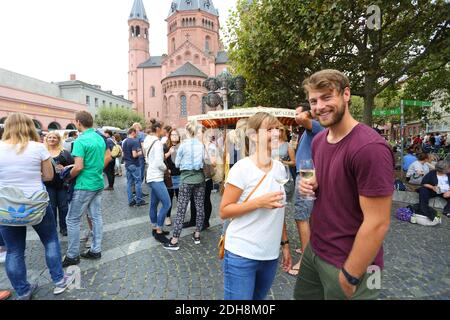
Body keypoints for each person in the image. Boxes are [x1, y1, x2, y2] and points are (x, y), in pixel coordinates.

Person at [296, 69, 394, 300]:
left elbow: (378, 223)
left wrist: (351, 274)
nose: (319, 106)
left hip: (353, 264)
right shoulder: (320, 139)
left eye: (327, 97)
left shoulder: (370, 148)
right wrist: (314, 185)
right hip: (315, 251)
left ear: (346, 94)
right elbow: (335, 183)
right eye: (313, 101)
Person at [0, 113, 75, 299]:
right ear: (30, 127)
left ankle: (23, 290)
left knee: (14, 250)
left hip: (8, 205)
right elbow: (49, 176)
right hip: (36, 202)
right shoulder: (38, 148)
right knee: (50, 240)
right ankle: (59, 280)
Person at [219, 112, 292, 300]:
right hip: (242, 253)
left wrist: (285, 245)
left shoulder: (279, 167)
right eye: (269, 129)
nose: (276, 133)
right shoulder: (242, 169)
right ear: (253, 135)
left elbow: (279, 208)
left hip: (269, 255)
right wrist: (258, 203)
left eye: (277, 129)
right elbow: (224, 211)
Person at [62, 111, 107, 267]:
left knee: (72, 219)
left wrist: (68, 176)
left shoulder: (81, 141)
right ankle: (96, 250)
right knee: (96, 216)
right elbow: (103, 159)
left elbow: (79, 167)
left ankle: (73, 255)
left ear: (78, 123)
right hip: (98, 182)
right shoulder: (100, 138)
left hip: (84, 185)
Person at [288, 104, 324, 277]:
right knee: (308, 216)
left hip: (307, 175)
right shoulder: (308, 131)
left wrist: (300, 115)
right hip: (306, 174)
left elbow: (302, 118)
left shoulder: (315, 125)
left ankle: (306, 260)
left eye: (298, 112)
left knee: (300, 217)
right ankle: (308, 247)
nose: (296, 116)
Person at [164, 122, 206, 250]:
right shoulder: (201, 145)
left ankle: (175, 240)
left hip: (186, 179)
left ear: (187, 132)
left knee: (181, 208)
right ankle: (197, 235)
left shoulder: (182, 146)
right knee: (199, 207)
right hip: (199, 179)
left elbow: (176, 164)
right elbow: (204, 161)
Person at [144, 120, 170, 244]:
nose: (163, 131)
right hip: (157, 177)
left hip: (150, 175)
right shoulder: (158, 143)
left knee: (153, 204)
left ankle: (154, 227)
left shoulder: (147, 140)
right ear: (158, 129)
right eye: (162, 129)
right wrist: (166, 169)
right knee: (167, 204)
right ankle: (159, 231)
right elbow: (160, 163)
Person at [186, 127, 217, 231]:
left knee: (205, 200)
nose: (196, 135)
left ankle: (206, 222)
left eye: (198, 133)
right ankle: (193, 220)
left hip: (205, 178)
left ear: (204, 134)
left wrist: (203, 155)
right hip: (193, 177)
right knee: (193, 199)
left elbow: (213, 162)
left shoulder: (210, 146)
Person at [44, 132, 74, 236]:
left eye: (54, 138)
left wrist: (64, 168)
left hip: (62, 184)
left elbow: (72, 166)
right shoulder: (43, 152)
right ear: (46, 139)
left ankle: (64, 227)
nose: (52, 139)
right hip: (48, 184)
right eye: (50, 137)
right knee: (51, 208)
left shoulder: (64, 152)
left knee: (63, 207)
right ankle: (52, 228)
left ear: (58, 140)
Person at [122, 128, 147, 207]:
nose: (137, 135)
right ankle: (139, 200)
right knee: (138, 182)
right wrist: (140, 152)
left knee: (129, 183)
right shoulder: (135, 141)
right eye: (136, 133)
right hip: (135, 165)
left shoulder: (124, 141)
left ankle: (131, 201)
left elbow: (123, 154)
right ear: (133, 133)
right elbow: (134, 155)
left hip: (127, 164)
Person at [163, 129, 182, 226]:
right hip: (169, 176)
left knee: (180, 198)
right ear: (170, 136)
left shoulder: (182, 146)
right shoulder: (165, 146)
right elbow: (161, 159)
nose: (174, 136)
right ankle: (167, 217)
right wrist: (169, 152)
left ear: (179, 137)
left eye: (176, 135)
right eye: (173, 134)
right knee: (168, 198)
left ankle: (179, 216)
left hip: (180, 175)